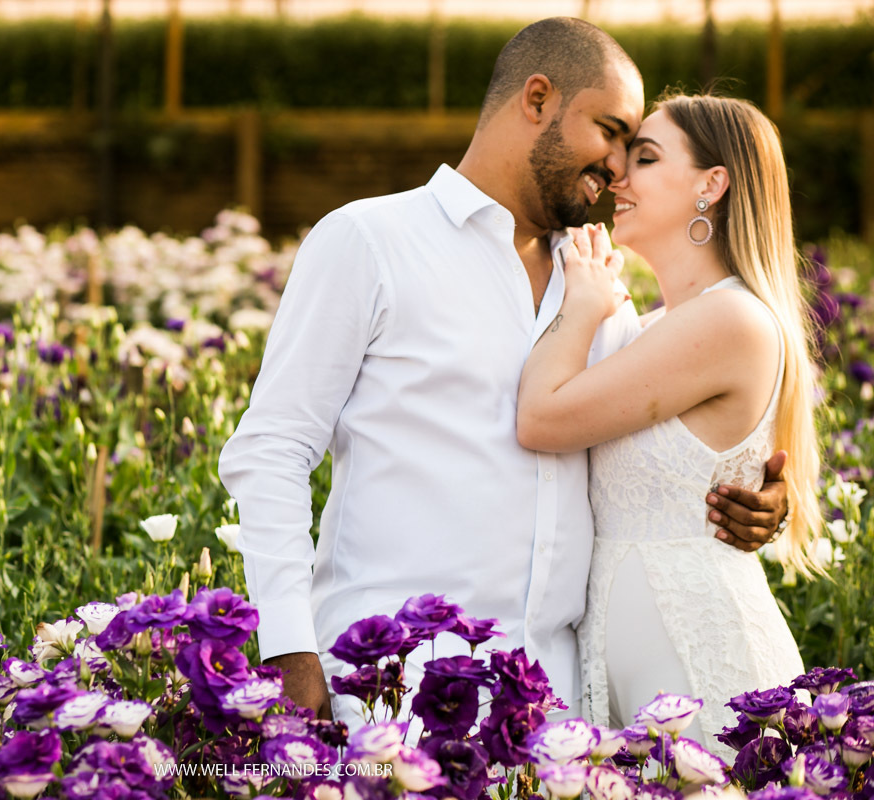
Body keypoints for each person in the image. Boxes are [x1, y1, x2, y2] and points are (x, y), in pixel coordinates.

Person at [217, 18, 788, 735]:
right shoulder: (370, 241)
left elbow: (654, 443)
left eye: (634, 148)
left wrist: (745, 494)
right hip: (392, 695)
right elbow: (270, 450)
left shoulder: (602, 290)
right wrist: (290, 651)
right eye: (610, 131)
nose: (617, 167)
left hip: (555, 713)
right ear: (538, 99)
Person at [515, 92, 820, 754]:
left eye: (645, 158)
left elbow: (540, 417)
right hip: (629, 670)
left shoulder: (730, 319)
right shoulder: (653, 329)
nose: (617, 176)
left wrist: (582, 302)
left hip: (704, 662)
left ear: (713, 184)